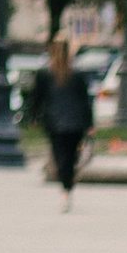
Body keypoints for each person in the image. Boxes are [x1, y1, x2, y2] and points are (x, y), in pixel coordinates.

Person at [30, 37, 94, 201]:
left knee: (60, 156)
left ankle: (66, 186)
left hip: (54, 122)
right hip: (76, 123)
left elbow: (37, 99)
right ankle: (68, 183)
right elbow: (85, 101)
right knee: (72, 156)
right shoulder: (78, 74)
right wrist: (89, 124)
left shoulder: (44, 74)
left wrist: (34, 117)